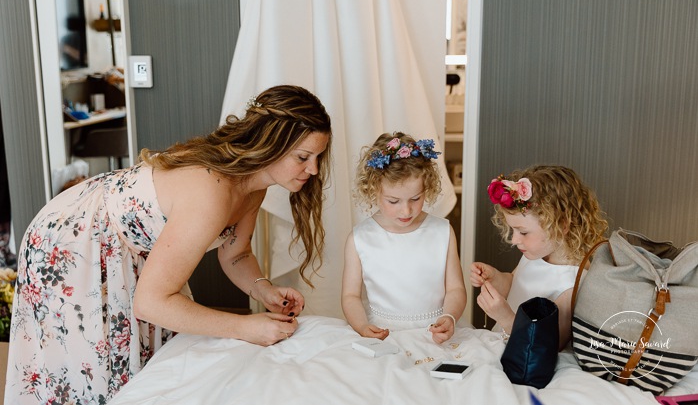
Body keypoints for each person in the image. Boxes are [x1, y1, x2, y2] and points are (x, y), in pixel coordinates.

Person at [5, 85, 332, 404]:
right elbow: (151, 303)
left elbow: (236, 252)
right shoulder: (210, 193)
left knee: (147, 368)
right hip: (77, 239)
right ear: (270, 143)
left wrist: (264, 290)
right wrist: (245, 327)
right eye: (303, 157)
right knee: (95, 373)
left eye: (318, 157)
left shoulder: (254, 186)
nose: (313, 169)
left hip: (130, 247)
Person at [341, 132, 466, 344]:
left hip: (434, 333)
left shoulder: (442, 232)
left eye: (415, 198)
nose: (406, 210)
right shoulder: (360, 239)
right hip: (384, 334)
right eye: (393, 201)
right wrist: (362, 326)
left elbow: (455, 288)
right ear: (373, 190)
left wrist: (449, 316)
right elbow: (350, 296)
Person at [470, 165, 608, 350]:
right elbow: (515, 283)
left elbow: (547, 345)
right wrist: (495, 278)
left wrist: (506, 317)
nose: (514, 240)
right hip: (500, 343)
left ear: (561, 226)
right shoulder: (534, 255)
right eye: (513, 230)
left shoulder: (571, 283)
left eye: (523, 232)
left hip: (525, 358)